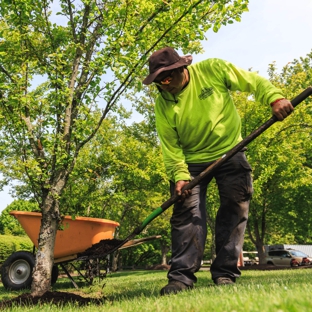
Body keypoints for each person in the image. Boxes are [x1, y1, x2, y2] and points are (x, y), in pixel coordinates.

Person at [142, 47, 293, 296]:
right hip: (190, 164)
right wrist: (180, 175)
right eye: (157, 81)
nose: (163, 85)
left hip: (230, 151)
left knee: (235, 208)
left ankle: (225, 273)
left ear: (181, 68)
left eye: (166, 78)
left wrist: (274, 98)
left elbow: (252, 81)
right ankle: (181, 278)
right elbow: (170, 146)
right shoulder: (163, 103)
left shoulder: (213, 69)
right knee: (186, 215)